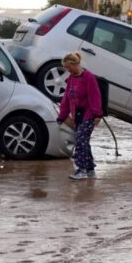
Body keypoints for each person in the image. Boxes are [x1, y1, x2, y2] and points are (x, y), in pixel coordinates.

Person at [56, 52, 103, 180]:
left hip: (89, 114)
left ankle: (81, 169)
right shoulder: (71, 79)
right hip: (77, 115)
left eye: (68, 67)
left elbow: (95, 96)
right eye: (65, 67)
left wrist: (97, 114)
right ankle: (90, 169)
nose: (67, 70)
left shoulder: (88, 77)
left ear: (76, 64)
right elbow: (66, 98)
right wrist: (62, 115)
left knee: (81, 140)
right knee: (84, 142)